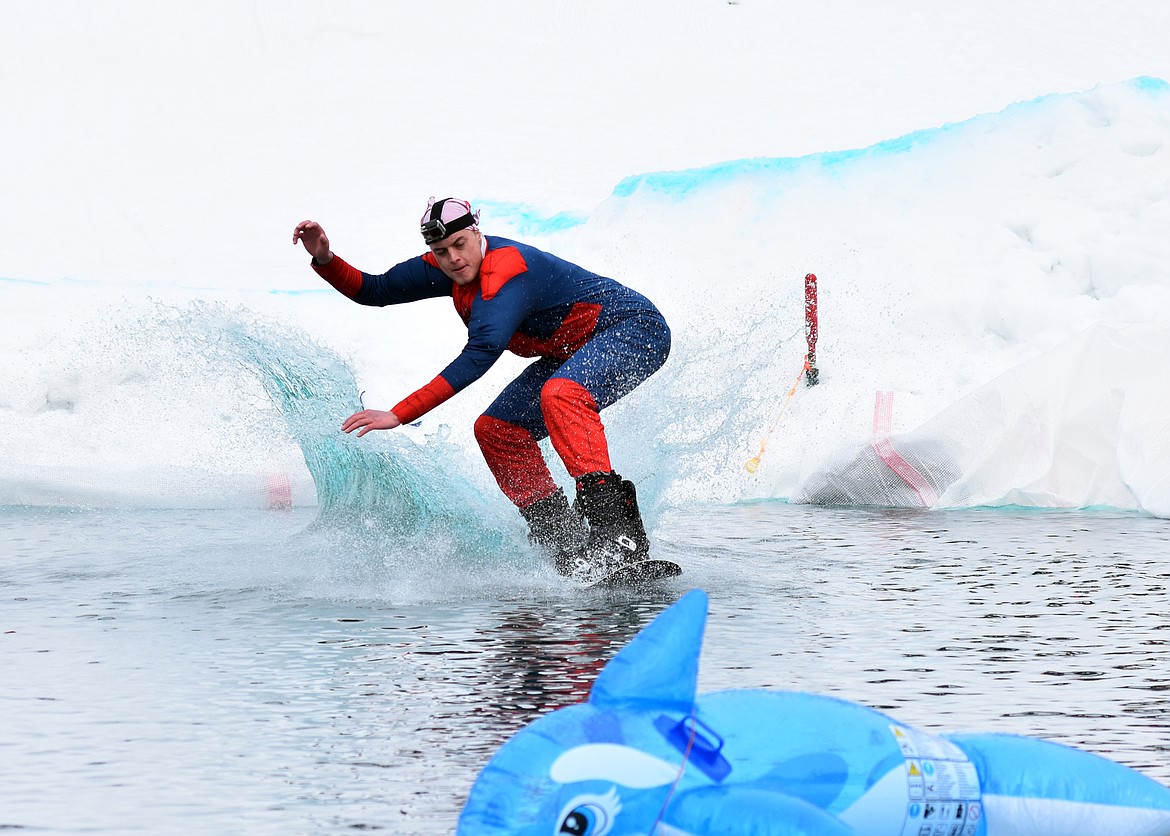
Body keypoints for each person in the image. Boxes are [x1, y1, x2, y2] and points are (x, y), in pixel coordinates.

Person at [292, 198, 670, 581]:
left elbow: (480, 354)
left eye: (459, 244)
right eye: (441, 251)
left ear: (476, 231)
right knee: (496, 430)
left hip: (632, 330)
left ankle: (618, 535)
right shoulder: (447, 267)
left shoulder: (505, 272)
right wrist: (325, 258)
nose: (453, 258)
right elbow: (374, 290)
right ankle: (564, 542)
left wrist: (398, 414)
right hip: (569, 351)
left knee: (561, 394)